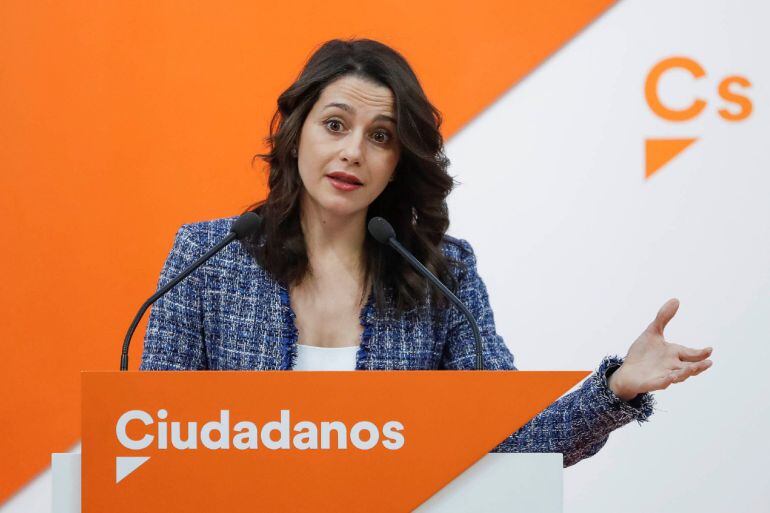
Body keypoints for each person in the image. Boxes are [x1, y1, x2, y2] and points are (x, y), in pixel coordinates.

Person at [140, 38, 713, 467]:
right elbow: (155, 438)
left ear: (398, 162)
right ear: (296, 137)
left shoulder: (442, 274)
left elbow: (509, 442)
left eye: (381, 136)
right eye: (334, 125)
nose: (353, 152)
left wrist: (615, 388)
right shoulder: (210, 258)